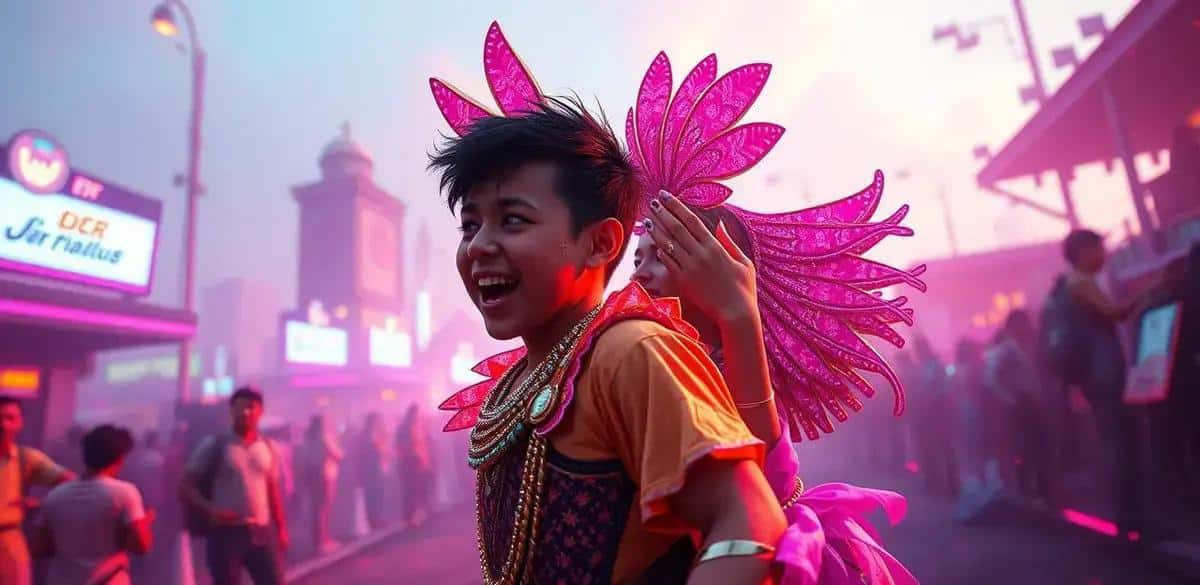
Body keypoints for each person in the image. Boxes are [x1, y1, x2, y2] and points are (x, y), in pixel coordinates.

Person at [430, 23, 785, 584]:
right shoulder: (517, 382)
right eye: (469, 224)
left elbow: (748, 518)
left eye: (513, 220)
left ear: (601, 243)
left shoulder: (630, 350)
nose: (479, 247)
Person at [1059, 229, 1157, 535]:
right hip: (1105, 373)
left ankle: (1130, 514)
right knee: (1119, 443)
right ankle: (1130, 516)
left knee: (1118, 441)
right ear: (1083, 251)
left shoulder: (1076, 284)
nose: (1103, 253)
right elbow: (1114, 312)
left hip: (1099, 374)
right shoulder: (1080, 283)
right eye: (1098, 248)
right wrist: (1149, 290)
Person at [179, 387, 288, 585]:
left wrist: (280, 529)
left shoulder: (268, 447)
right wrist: (212, 509)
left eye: (250, 407)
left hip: (261, 532)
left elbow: (272, 490)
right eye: (239, 408)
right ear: (231, 411)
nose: (245, 412)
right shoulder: (215, 444)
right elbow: (185, 486)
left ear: (260, 411)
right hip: (226, 533)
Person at [32, 425, 155, 585]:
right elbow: (141, 546)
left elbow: (40, 547)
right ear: (119, 458)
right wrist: (146, 522)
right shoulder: (125, 493)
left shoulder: (55, 495)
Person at [0, 397, 75, 585]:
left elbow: (71, 483)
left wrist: (41, 502)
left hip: (8, 540)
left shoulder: (26, 458)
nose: (3, 424)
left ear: (20, 423)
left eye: (10, 418)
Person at [297, 415, 342, 553]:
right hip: (326, 476)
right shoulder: (325, 439)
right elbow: (338, 455)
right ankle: (323, 541)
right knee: (323, 509)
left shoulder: (306, 440)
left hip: (312, 476)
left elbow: (303, 459)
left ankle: (319, 541)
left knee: (316, 509)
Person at [396, 405, 433, 529]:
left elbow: (423, 445)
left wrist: (426, 460)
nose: (419, 416)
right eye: (417, 414)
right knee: (410, 491)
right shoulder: (404, 429)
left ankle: (416, 515)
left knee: (418, 490)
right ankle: (409, 517)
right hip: (409, 465)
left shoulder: (418, 427)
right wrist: (412, 457)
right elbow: (402, 447)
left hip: (420, 463)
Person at [357, 413, 389, 531]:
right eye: (376, 420)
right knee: (371, 495)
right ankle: (373, 519)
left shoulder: (378, 433)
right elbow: (364, 452)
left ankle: (378, 518)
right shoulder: (365, 435)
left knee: (379, 493)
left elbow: (383, 449)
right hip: (370, 469)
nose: (378, 422)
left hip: (379, 467)